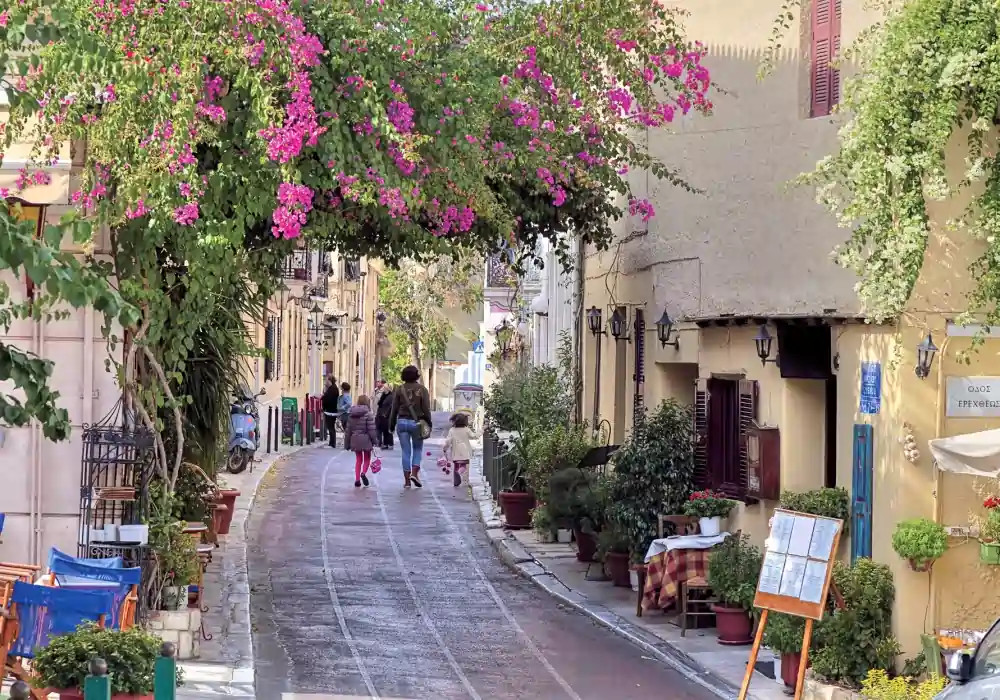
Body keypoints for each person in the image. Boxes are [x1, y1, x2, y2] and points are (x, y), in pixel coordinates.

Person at [389, 365, 432, 489]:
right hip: (417, 423)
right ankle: (414, 474)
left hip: (402, 422)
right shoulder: (422, 389)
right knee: (417, 449)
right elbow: (426, 408)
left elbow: (394, 409)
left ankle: (407, 481)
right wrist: (429, 423)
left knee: (406, 452)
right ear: (416, 375)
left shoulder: (399, 389)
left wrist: (391, 425)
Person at [345, 395, 378, 487]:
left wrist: (347, 443)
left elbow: (348, 431)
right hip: (366, 439)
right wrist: (375, 441)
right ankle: (363, 473)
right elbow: (371, 429)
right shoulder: (368, 414)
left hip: (355, 439)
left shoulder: (352, 414)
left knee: (358, 459)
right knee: (367, 458)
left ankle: (357, 479)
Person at [444, 412, 476, 487]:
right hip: (465, 452)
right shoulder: (466, 430)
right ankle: (465, 481)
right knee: (465, 467)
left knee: (456, 467)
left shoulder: (452, 430)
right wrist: (481, 431)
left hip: (456, 453)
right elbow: (474, 436)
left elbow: (448, 441)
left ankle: (456, 482)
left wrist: (445, 448)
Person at [321, 377, 340, 448]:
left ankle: (332, 443)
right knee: (330, 427)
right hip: (331, 410)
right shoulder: (333, 388)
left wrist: (322, 397)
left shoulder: (333, 389)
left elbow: (327, 399)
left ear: (330, 381)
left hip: (331, 411)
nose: (325, 382)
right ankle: (331, 443)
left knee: (330, 427)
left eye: (326, 381)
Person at [375, 381, 394, 450]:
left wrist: (386, 414)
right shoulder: (383, 395)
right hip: (380, 414)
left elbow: (391, 406)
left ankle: (390, 443)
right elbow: (379, 404)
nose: (384, 389)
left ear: (388, 389)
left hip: (387, 415)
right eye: (384, 388)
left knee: (387, 430)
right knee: (382, 429)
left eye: (385, 388)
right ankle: (384, 443)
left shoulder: (391, 396)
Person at [337, 382, 353, 450]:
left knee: (347, 430)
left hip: (345, 414)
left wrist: (342, 408)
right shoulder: (346, 395)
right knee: (347, 430)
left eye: (341, 387)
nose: (340, 388)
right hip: (345, 414)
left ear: (343, 388)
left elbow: (349, 404)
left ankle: (348, 445)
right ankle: (348, 444)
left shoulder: (345, 395)